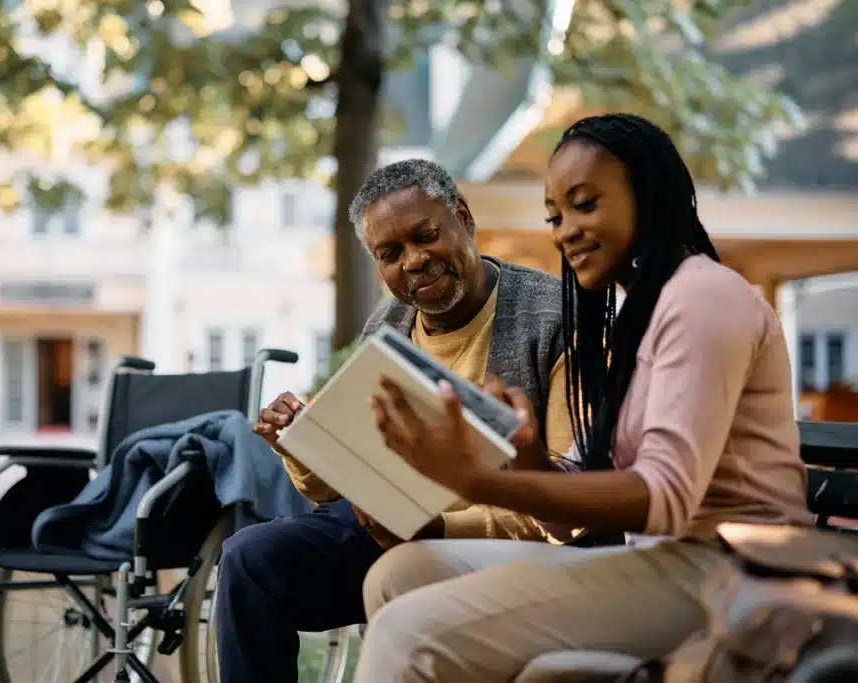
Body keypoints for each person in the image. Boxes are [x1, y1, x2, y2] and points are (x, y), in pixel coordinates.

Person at [354, 113, 815, 682]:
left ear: (645, 193)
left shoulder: (703, 299)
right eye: (555, 215)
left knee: (410, 630)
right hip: (662, 560)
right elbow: (570, 498)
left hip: (729, 570)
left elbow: (663, 496)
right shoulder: (640, 315)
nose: (565, 229)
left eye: (586, 204)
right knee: (399, 574)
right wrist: (528, 459)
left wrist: (477, 481)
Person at [214, 158, 575, 683]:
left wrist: (441, 528)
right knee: (249, 560)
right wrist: (297, 444)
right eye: (390, 253)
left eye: (425, 236)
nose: (414, 261)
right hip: (391, 523)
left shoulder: (554, 318)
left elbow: (566, 493)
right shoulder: (388, 325)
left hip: (502, 534)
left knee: (402, 573)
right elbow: (337, 488)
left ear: (463, 218)